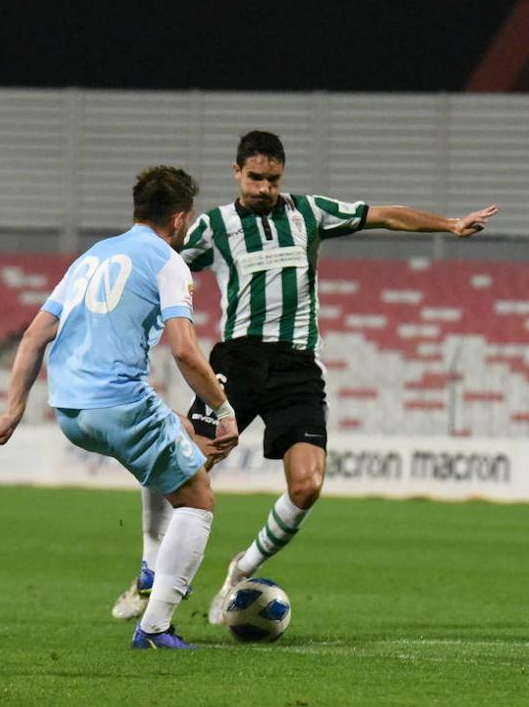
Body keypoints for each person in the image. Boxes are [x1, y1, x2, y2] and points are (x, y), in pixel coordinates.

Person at [110, 130, 498, 624]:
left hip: (298, 366)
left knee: (308, 485)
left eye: (273, 179)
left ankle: (240, 570)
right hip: (238, 363)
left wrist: (449, 224)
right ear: (237, 173)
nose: (265, 188)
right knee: (182, 467)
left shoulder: (309, 213)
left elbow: (380, 215)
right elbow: (157, 262)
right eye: (255, 177)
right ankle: (151, 570)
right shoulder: (214, 226)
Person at [0, 165, 239, 650]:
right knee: (199, 498)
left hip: (70, 411)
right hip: (117, 402)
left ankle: (151, 562)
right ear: (181, 219)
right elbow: (185, 351)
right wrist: (223, 408)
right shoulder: (168, 262)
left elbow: (36, 333)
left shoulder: (91, 256)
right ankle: (156, 626)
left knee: (182, 439)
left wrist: (13, 409)